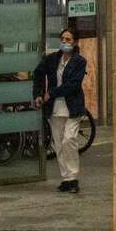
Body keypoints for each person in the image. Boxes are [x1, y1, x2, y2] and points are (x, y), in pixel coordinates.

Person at [33, 27, 87, 193]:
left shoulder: (80, 61)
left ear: (75, 42)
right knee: (58, 144)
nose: (65, 42)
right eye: (63, 39)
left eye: (68, 39)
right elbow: (38, 74)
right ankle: (67, 179)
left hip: (73, 107)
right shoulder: (51, 59)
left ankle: (73, 177)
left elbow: (73, 84)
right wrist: (39, 94)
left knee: (68, 139)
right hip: (55, 108)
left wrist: (52, 92)